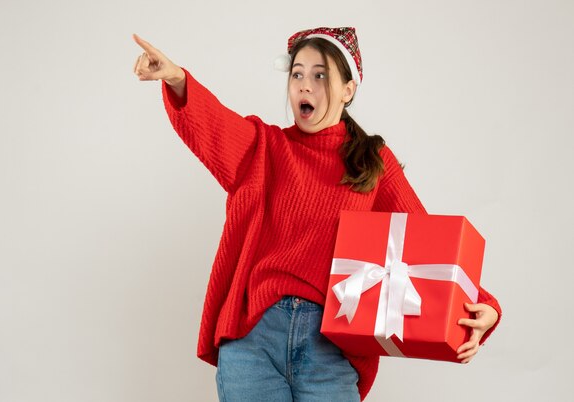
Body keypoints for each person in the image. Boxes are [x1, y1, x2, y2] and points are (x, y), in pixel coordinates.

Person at [132, 26, 501, 401]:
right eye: (297, 74)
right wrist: (178, 79)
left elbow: (425, 243)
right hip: (254, 341)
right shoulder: (266, 147)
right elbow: (215, 125)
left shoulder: (372, 164)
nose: (304, 86)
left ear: (348, 89)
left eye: (320, 75)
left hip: (331, 349)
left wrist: (486, 306)